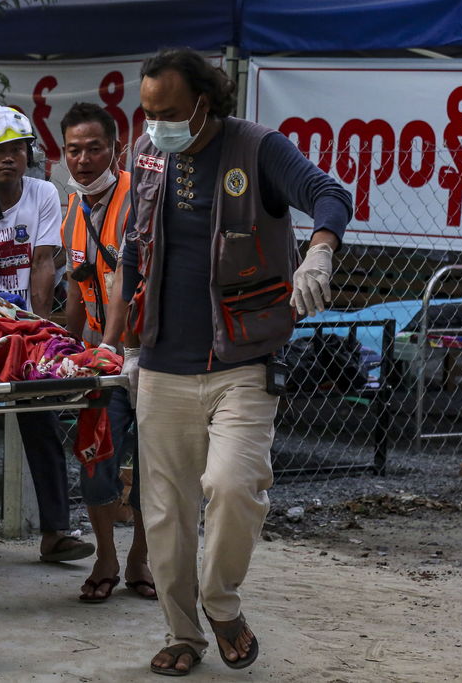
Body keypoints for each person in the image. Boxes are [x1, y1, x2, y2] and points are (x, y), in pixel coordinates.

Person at [120, 48, 351, 675]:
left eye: (169, 112)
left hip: (243, 359)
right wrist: (128, 346)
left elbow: (328, 192)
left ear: (204, 102)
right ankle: (182, 634)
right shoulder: (147, 156)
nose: (157, 125)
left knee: (232, 486)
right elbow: (134, 252)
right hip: (162, 364)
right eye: (148, 113)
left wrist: (320, 250)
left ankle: (221, 603)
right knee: (163, 512)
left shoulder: (257, 148)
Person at [0, 103, 95, 563]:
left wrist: (37, 331)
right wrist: (0, 327)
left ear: (29, 154)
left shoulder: (42, 193)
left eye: (18, 149)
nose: (10, 158)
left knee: (42, 417)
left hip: (27, 324)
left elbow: (43, 263)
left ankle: (55, 532)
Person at [58, 102, 155, 602]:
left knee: (154, 464)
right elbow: (78, 288)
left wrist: (116, 347)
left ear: (116, 150)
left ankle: (140, 556)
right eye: (73, 150)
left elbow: (126, 283)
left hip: (150, 355)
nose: (83, 160)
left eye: (94, 148)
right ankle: (105, 555)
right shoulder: (73, 210)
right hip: (101, 359)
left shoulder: (139, 202)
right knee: (95, 459)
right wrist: (64, 352)